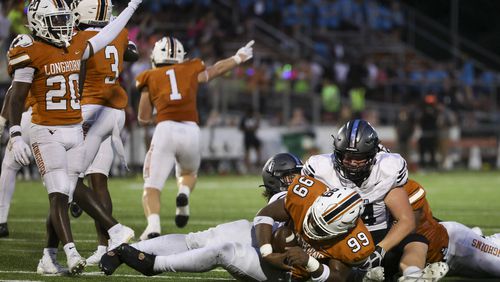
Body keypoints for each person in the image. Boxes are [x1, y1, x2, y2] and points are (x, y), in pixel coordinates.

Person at [6, 0, 141, 274]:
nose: (64, 25)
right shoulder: (31, 50)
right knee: (64, 190)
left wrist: (131, 8)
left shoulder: (76, 42)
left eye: (65, 19)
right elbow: (16, 94)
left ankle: (51, 255)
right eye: (56, 20)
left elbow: (105, 35)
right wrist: (15, 131)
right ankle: (86, 243)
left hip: (78, 122)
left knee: (67, 189)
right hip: (51, 127)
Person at [99, 153, 304, 281]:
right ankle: (120, 252)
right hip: (270, 246)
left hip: (290, 269)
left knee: (223, 251)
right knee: (198, 239)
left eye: (300, 176)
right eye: (291, 177)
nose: (299, 181)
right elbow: (264, 217)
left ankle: (154, 264)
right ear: (275, 181)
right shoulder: (284, 197)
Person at [136, 37, 254, 240]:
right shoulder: (191, 68)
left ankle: (153, 226)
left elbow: (143, 118)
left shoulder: (149, 76)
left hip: (165, 129)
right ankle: (183, 193)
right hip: (191, 129)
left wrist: (159, 111)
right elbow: (216, 70)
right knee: (189, 172)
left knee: (152, 185)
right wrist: (238, 57)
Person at [301, 119, 429, 279]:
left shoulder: (387, 168)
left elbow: (406, 220)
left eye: (359, 157)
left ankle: (412, 276)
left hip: (380, 235)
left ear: (372, 154)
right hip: (341, 237)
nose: (352, 162)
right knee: (336, 265)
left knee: (416, 242)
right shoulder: (320, 169)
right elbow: (302, 210)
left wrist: (380, 251)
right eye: (346, 156)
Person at [70, 0, 139, 265]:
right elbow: (132, 53)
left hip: (90, 111)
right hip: (114, 113)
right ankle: (104, 248)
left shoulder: (78, 37)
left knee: (67, 179)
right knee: (99, 181)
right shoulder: (119, 34)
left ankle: (110, 230)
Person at [254, 174, 375, 281]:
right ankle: (290, 275)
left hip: (322, 263)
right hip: (291, 242)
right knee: (282, 236)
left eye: (321, 229)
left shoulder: (353, 241)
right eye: (313, 219)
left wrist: (309, 262)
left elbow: (338, 277)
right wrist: (267, 253)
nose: (312, 228)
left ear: (344, 231)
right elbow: (265, 214)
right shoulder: (307, 195)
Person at [401, 179, 500, 279]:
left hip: (453, 244)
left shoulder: (406, 190)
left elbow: (412, 230)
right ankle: (479, 237)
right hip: (440, 259)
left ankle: (479, 238)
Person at [239, 106, 262, 171]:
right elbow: (240, 127)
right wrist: (248, 129)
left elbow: (257, 126)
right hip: (247, 137)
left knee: (258, 149)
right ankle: (248, 167)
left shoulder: (254, 118)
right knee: (247, 152)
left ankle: (258, 164)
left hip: (253, 136)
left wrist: (257, 121)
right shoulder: (244, 118)